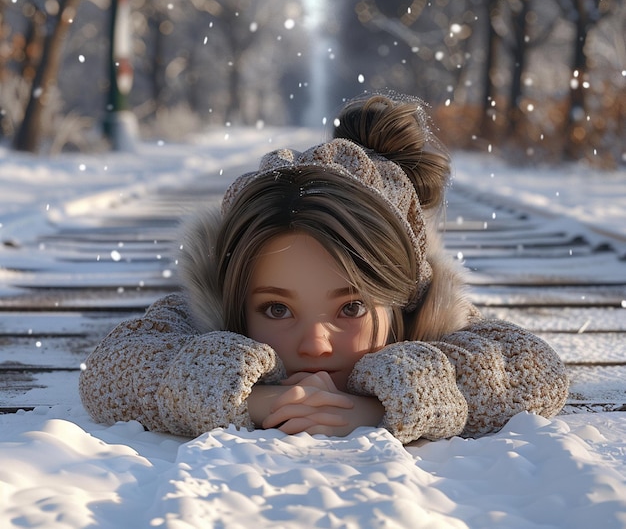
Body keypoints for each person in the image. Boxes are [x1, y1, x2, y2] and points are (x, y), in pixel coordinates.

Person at [79, 94, 569, 444]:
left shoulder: (431, 325)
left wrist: (384, 405)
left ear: (402, 297)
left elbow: (534, 372)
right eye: (276, 308)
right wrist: (252, 400)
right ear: (233, 297)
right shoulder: (206, 321)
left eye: (351, 307)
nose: (315, 344)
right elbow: (110, 371)